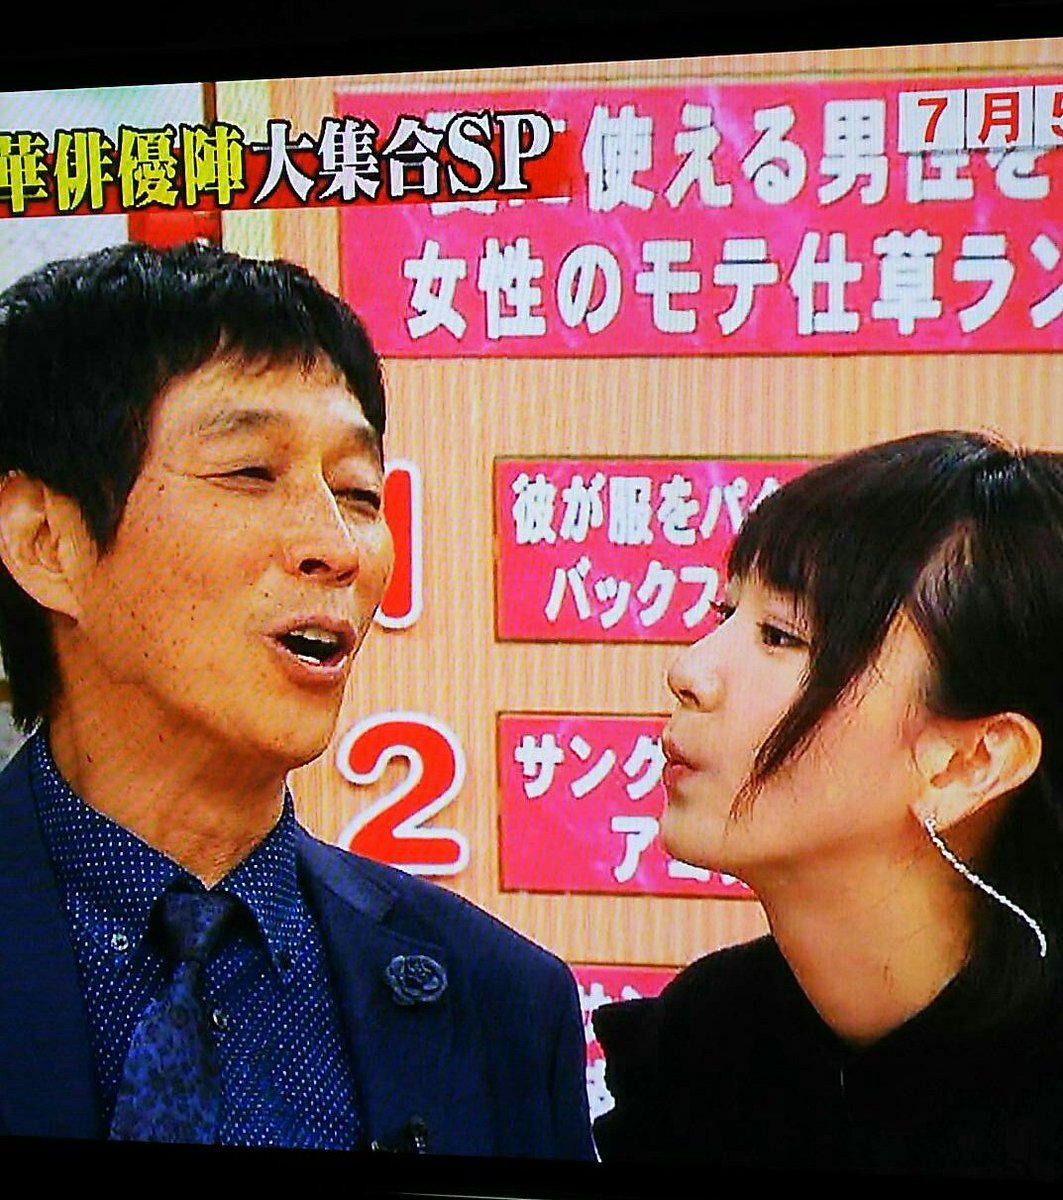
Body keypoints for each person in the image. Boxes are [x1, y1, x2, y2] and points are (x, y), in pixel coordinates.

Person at [0, 241, 592, 1157]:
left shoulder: (503, 1002)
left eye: (357, 492)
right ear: (47, 542)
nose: (338, 548)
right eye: (249, 473)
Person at [593, 432, 1063, 1179]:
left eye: (781, 635)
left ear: (969, 763)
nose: (689, 670)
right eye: (723, 613)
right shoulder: (706, 1044)